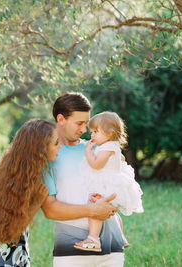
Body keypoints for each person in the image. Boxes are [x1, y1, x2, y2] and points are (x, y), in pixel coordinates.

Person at [41, 93, 125, 267]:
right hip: (71, 249)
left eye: (86, 123)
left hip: (112, 247)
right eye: (79, 123)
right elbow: (50, 210)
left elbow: (118, 183)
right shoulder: (49, 156)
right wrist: (92, 210)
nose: (84, 129)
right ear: (61, 119)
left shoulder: (96, 149)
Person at [0, 119, 61, 266]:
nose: (61, 146)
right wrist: (36, 202)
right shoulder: (18, 180)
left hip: (14, 248)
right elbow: (11, 231)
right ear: (40, 148)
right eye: (56, 143)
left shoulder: (23, 169)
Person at [74, 111, 143, 252]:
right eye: (92, 132)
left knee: (94, 208)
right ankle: (119, 236)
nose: (92, 135)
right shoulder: (113, 147)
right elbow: (121, 160)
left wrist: (88, 152)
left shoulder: (107, 148)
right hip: (113, 185)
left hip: (105, 186)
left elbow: (96, 165)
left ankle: (93, 239)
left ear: (110, 133)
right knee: (113, 212)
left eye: (95, 131)